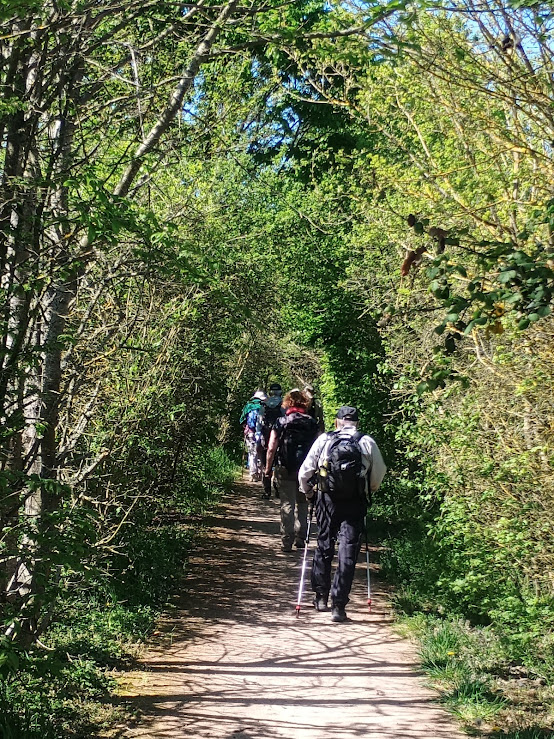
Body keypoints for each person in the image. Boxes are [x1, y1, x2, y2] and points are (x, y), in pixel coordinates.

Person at [298, 405, 386, 622]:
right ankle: (339, 606)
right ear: (357, 422)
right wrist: (368, 490)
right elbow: (379, 473)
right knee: (348, 550)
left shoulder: (325, 440)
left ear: (337, 421)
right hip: (355, 502)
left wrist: (308, 492)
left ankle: (321, 597)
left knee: (324, 545)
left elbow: (305, 472)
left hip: (327, 500)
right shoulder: (366, 441)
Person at [264, 389, 319, 552]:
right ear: (305, 403)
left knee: (287, 503)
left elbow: (271, 447)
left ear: (288, 403)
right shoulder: (312, 422)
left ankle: (286, 540)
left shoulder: (281, 421)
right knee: (302, 502)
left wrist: (268, 469)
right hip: (306, 469)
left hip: (285, 466)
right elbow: (318, 448)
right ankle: (301, 537)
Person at [260, 383, 284, 499]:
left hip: (265, 437)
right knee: (278, 464)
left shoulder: (264, 404)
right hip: (279, 438)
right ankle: (278, 490)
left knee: (265, 464)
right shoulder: (283, 405)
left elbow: (259, 422)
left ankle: (266, 491)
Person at [239, 390, 267, 482]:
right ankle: (259, 473)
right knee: (260, 452)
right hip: (261, 432)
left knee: (252, 453)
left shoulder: (248, 406)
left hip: (250, 432)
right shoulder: (263, 406)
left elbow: (242, 420)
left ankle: (252, 474)